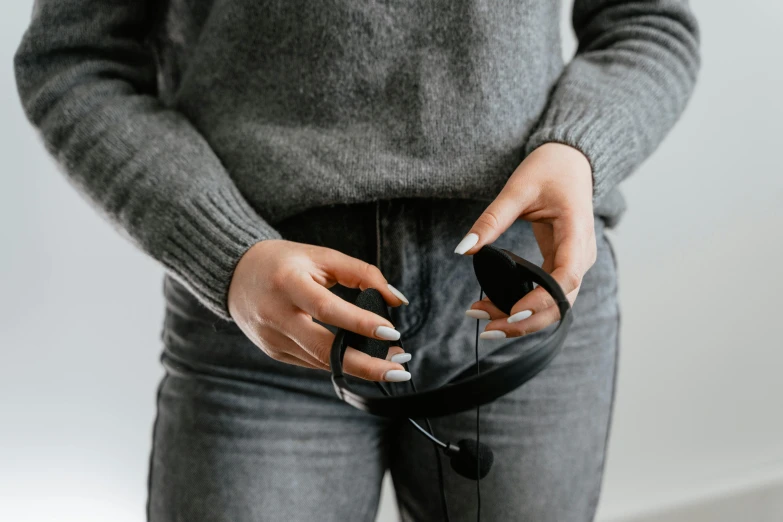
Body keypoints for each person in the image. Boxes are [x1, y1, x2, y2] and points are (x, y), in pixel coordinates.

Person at [14, 1, 700, 520]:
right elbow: (74, 61)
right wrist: (225, 252)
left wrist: (579, 148)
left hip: (514, 300)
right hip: (262, 325)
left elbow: (646, 22)